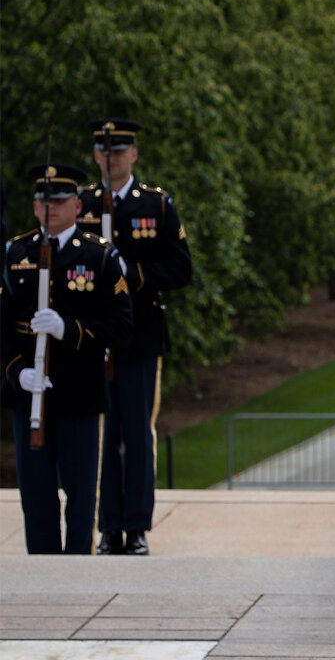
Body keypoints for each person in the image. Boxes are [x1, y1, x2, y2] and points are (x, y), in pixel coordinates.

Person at [2, 164, 132, 554]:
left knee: (80, 499)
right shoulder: (15, 254)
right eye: (43, 200)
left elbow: (120, 325)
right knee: (37, 499)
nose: (50, 208)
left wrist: (68, 329)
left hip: (79, 392)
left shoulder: (99, 256)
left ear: (77, 205)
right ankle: (43, 574)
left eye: (58, 201)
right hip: (30, 395)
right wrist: (16, 372)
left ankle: (78, 572)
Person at [79, 118, 192, 556]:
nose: (113, 158)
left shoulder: (156, 206)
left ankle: (137, 525)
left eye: (120, 151)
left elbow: (180, 269)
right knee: (104, 436)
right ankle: (108, 526)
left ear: (134, 155)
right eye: (105, 152)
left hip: (140, 337)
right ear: (96, 156)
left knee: (139, 435)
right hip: (94, 339)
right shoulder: (82, 203)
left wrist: (133, 273)